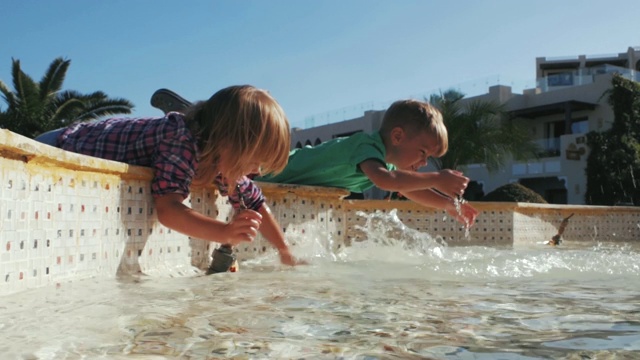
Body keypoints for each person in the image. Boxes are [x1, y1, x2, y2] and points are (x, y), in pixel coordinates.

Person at [35, 85, 304, 270]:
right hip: (60, 142)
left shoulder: (224, 163)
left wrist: (285, 253)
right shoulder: (180, 139)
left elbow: (257, 203)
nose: (256, 170)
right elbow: (169, 210)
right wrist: (224, 231)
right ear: (229, 142)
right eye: (255, 160)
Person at [257, 99, 479, 227]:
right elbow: (386, 181)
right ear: (398, 136)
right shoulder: (366, 146)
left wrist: (448, 204)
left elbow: (409, 190)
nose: (423, 163)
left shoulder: (386, 163)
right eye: (422, 153)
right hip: (272, 168)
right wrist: (438, 179)